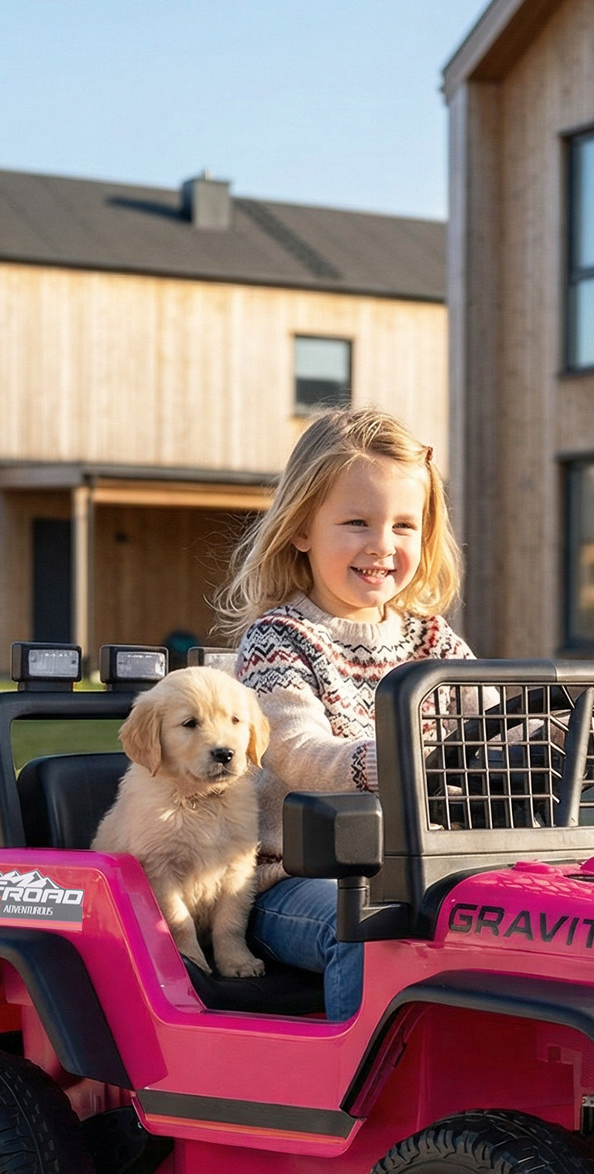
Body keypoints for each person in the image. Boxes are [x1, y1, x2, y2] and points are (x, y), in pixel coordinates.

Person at [220, 408, 473, 1021]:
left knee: (513, 916)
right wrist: (402, 763)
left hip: (417, 865)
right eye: (357, 522)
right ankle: (364, 1106)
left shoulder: (432, 641)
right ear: (302, 528)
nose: (382, 546)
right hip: (297, 881)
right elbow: (298, 752)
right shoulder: (280, 640)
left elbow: (494, 714)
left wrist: (553, 738)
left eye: (404, 526)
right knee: (367, 928)